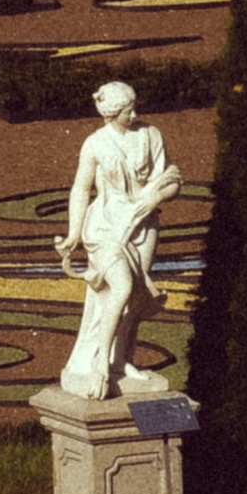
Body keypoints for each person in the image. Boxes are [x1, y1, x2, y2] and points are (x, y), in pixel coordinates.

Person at [55, 79, 179, 403]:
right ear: (111, 114)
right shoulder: (94, 144)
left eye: (134, 106)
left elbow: (171, 179)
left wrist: (155, 199)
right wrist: (73, 232)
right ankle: (98, 363)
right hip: (106, 226)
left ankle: (121, 360)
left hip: (143, 226)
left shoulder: (150, 135)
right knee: (121, 287)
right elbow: (81, 189)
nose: (134, 113)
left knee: (135, 298)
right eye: (127, 110)